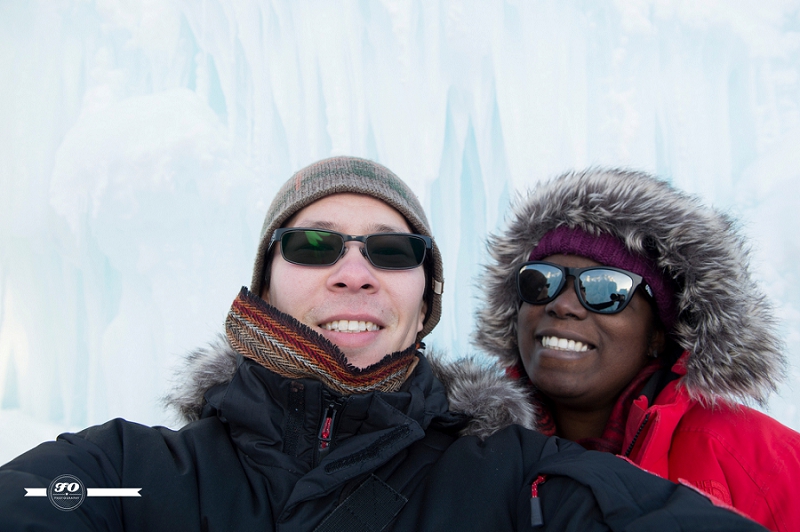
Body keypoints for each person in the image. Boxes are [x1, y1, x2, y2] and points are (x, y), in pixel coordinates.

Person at [0, 157, 766, 531]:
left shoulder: (526, 488)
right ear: (263, 283)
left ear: (425, 301)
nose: (355, 272)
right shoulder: (130, 476)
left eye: (392, 252)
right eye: (313, 245)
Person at [474, 167, 800, 532]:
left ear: (658, 335)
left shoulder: (762, 462)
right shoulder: (468, 447)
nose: (562, 305)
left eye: (604, 290)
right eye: (540, 282)